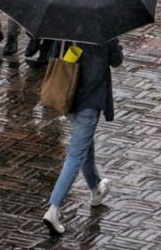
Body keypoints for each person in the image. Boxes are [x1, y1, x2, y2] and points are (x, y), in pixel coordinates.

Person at [43, 39, 123, 236]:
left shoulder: (65, 24)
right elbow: (116, 60)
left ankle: (95, 188)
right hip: (89, 102)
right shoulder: (105, 30)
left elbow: (53, 54)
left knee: (85, 143)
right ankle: (54, 209)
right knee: (75, 156)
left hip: (68, 97)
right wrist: (116, 46)